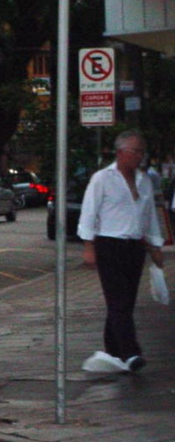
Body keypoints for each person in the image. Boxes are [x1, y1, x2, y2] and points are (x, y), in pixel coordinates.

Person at [77, 130, 164, 372]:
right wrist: (88, 247)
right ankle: (131, 353)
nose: (139, 156)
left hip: (134, 247)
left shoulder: (144, 180)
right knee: (119, 302)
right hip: (109, 245)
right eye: (134, 151)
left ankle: (112, 349)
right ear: (120, 152)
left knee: (125, 301)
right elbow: (89, 212)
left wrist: (155, 246)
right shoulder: (102, 179)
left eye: (141, 152)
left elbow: (149, 216)